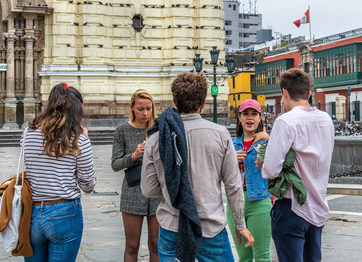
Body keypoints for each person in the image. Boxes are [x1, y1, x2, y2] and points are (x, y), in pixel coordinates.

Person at [141, 73, 254, 262]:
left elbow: (148, 189)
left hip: (172, 228)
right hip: (209, 227)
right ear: (203, 101)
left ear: (174, 100)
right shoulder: (220, 134)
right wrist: (240, 224)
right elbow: (233, 186)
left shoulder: (156, 137)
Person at [258, 68, 334, 262]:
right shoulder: (326, 120)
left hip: (292, 207)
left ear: (284, 92)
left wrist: (261, 163)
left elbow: (271, 170)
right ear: (308, 93)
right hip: (318, 208)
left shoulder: (286, 121)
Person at [23, 83, 96, 261]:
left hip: (32, 213)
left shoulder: (27, 134)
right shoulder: (79, 140)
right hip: (65, 211)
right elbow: (88, 186)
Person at [111, 89, 161, 262]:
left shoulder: (159, 129)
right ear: (131, 107)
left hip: (157, 192)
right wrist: (134, 155)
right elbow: (115, 165)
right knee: (132, 246)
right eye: (140, 109)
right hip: (132, 191)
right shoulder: (122, 130)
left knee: (156, 244)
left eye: (149, 108)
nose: (145, 113)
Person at [227, 99, 272, 262]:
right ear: (239, 117)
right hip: (234, 204)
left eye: (254, 114)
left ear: (260, 118)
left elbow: (280, 166)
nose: (249, 118)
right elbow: (218, 174)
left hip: (259, 201)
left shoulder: (268, 142)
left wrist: (267, 138)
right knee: (244, 258)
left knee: (262, 256)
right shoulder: (230, 144)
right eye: (245, 114)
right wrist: (230, 158)